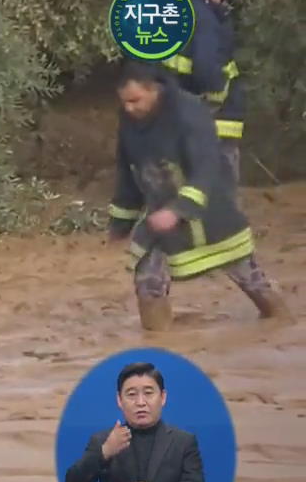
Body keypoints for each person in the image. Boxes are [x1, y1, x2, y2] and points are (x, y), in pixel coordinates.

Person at [106, 60, 291, 331]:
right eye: (125, 102)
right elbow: (129, 171)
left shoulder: (189, 112)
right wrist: (120, 222)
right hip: (160, 218)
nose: (129, 108)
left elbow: (207, 165)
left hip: (210, 213)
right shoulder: (129, 122)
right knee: (147, 281)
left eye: (135, 101)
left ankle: (281, 322)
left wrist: (180, 209)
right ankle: (159, 344)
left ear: (155, 89)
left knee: (251, 279)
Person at [63, 362, 205, 482]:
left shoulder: (183, 441)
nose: (141, 402)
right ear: (119, 400)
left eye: (148, 393)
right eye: (131, 394)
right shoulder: (103, 440)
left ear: (163, 397)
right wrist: (104, 453)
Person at [161, 0, 245, 185]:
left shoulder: (182, 9)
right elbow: (205, 67)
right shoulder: (203, 16)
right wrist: (218, 94)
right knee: (221, 180)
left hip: (186, 111)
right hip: (215, 115)